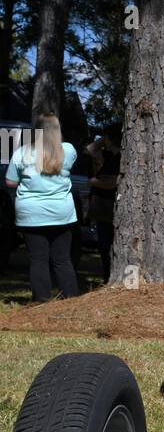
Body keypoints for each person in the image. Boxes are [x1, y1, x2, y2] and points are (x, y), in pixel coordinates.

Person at [5, 114, 80, 302]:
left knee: (38, 260)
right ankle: (71, 301)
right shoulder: (68, 150)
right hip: (61, 213)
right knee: (62, 260)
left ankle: (41, 302)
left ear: (35, 131)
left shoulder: (21, 153)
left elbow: (10, 182)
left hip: (31, 214)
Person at [88, 122, 122, 283]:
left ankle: (110, 277)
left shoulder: (121, 158)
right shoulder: (107, 156)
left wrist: (94, 181)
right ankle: (106, 277)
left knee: (110, 246)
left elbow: (113, 182)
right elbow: (90, 149)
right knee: (103, 247)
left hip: (111, 209)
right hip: (103, 211)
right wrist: (103, 140)